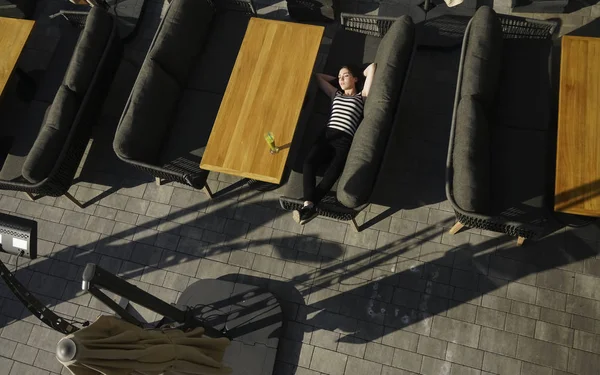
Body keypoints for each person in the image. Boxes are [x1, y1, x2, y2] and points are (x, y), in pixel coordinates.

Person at [293, 63, 377, 225]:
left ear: (355, 79)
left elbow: (372, 67)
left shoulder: (362, 96)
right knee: (309, 164)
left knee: (333, 172)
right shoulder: (335, 94)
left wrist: (357, 73)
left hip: (344, 139)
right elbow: (318, 76)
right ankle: (309, 206)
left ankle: (308, 207)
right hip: (327, 135)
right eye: (339, 77)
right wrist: (337, 78)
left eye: (345, 75)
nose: (341, 79)